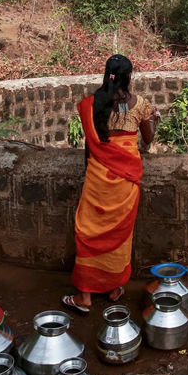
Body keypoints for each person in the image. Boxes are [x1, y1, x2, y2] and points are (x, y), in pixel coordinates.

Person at [62, 54, 159, 313]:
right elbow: (147, 140)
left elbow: (89, 146)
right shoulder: (141, 105)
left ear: (108, 74)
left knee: (88, 231)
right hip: (126, 181)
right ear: (129, 76)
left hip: (97, 178)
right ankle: (114, 288)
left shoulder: (92, 104)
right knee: (120, 235)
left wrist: (90, 173)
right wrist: (154, 120)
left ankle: (85, 296)